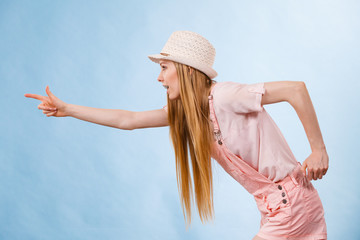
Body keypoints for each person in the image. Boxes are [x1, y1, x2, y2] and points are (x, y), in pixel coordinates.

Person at [24, 30, 329, 240]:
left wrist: (318, 151)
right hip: (281, 205)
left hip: (290, 204)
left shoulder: (225, 96)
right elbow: (127, 120)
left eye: (164, 67)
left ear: (185, 70)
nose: (158, 76)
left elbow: (295, 89)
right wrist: (67, 109)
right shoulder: (189, 114)